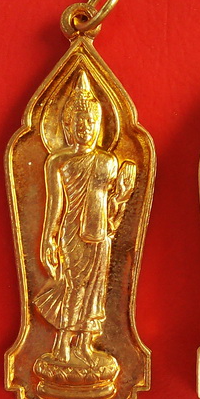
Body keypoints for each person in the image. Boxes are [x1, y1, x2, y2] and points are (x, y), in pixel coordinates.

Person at [34, 71, 135, 366]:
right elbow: (55, 203)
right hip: (72, 232)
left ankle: (84, 345)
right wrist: (48, 239)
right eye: (78, 122)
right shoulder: (58, 161)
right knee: (74, 286)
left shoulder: (108, 161)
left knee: (95, 290)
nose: (85, 128)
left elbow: (111, 204)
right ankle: (63, 345)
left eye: (90, 122)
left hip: (100, 233)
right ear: (67, 126)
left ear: (99, 125)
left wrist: (123, 192)